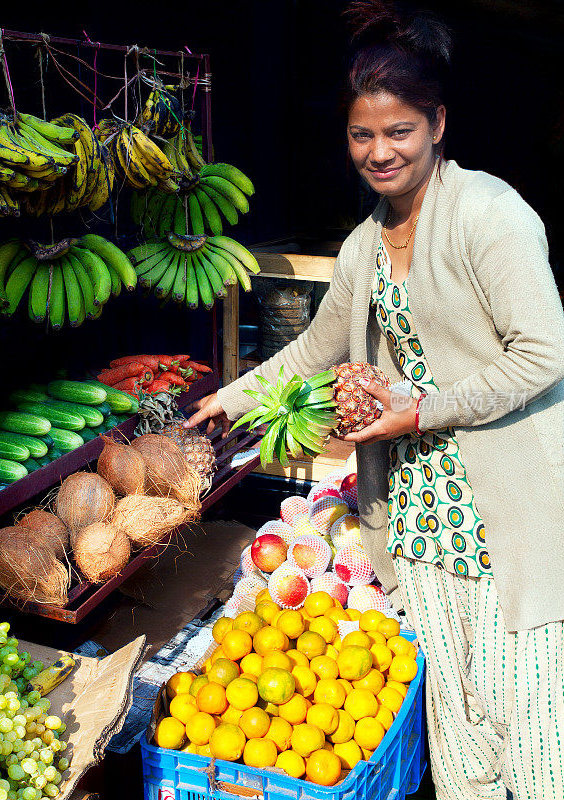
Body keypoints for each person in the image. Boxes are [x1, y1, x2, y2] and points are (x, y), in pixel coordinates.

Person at [184, 2, 564, 798]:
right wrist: (233, 396)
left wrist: (419, 409)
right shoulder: (364, 245)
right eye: (363, 135)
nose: (380, 152)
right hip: (418, 510)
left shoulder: (492, 217)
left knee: (525, 720)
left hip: (504, 511)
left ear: (438, 124)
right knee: (455, 727)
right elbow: (316, 348)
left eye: (400, 133)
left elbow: (545, 353)